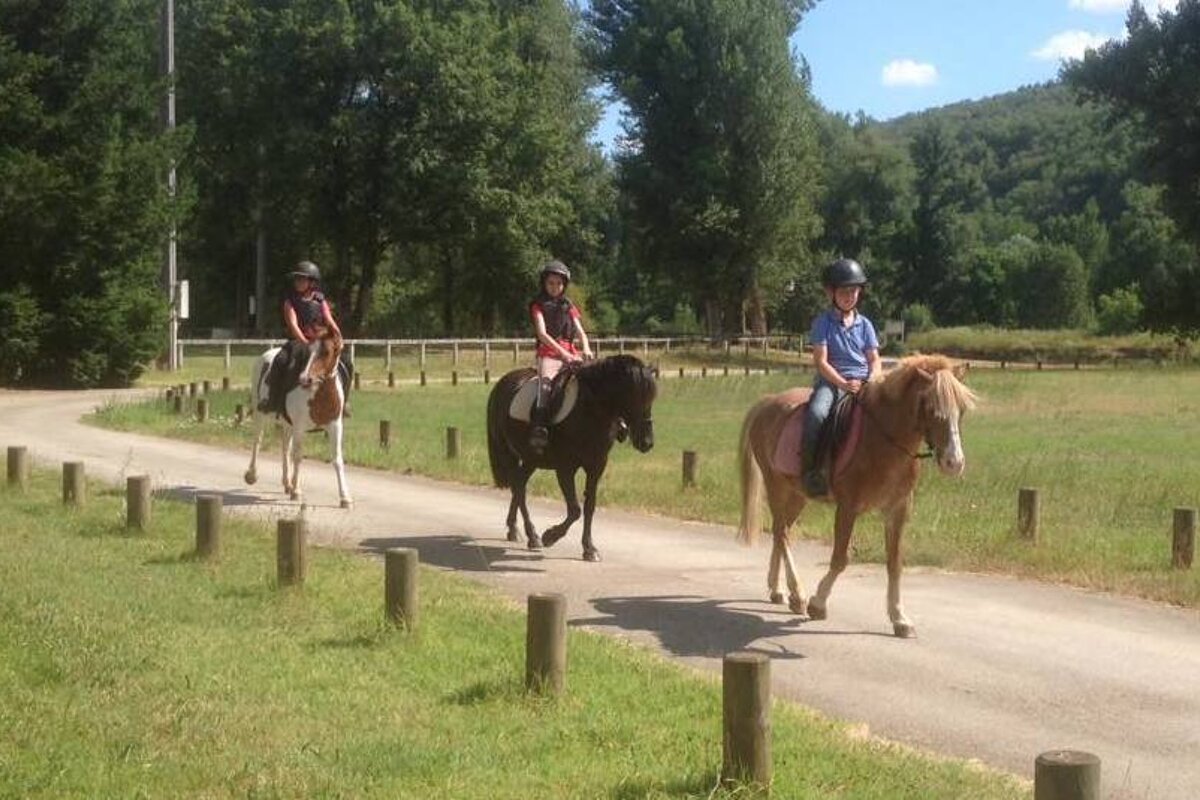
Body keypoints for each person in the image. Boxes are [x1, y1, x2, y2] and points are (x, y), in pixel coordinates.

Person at [801, 257, 882, 496]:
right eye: (845, 291)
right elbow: (821, 361)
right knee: (816, 414)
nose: (850, 296)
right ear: (831, 292)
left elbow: (874, 359)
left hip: (864, 383)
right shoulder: (822, 323)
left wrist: (871, 379)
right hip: (833, 382)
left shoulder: (865, 325)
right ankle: (811, 471)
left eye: (855, 291)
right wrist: (843, 383)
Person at [258, 261, 352, 416]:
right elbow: (293, 324)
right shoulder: (290, 301)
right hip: (298, 341)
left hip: (319, 341)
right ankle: (271, 399)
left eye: (302, 279)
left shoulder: (320, 300)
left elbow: (329, 319)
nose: (298, 282)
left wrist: (338, 335)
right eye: (297, 279)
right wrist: (306, 342)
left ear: (312, 282)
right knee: (280, 360)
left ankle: (344, 403)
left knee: (347, 362)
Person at [528, 260, 593, 451]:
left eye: (559, 283)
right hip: (549, 353)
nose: (555, 287)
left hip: (572, 353)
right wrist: (563, 353)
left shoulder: (569, 306)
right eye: (551, 283)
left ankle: (614, 420)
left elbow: (580, 331)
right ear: (544, 284)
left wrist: (586, 348)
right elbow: (542, 334)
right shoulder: (537, 305)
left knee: (597, 378)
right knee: (547, 383)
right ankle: (539, 427)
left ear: (564, 285)